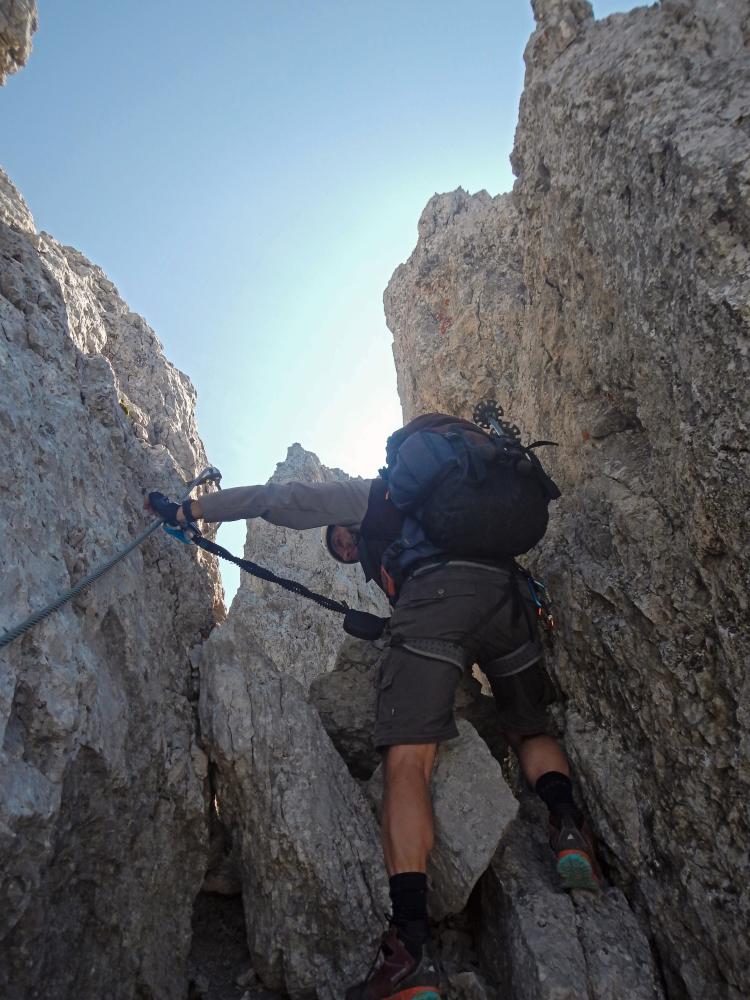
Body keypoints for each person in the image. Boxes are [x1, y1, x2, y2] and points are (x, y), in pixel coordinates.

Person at [148, 458, 600, 1000]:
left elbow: (278, 500)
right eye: (341, 551)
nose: (343, 549)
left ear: (349, 524)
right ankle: (569, 829)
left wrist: (192, 509)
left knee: (408, 761)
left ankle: (412, 947)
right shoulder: (433, 508)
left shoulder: (372, 494)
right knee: (530, 729)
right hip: (507, 596)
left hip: (435, 598)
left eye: (341, 540)